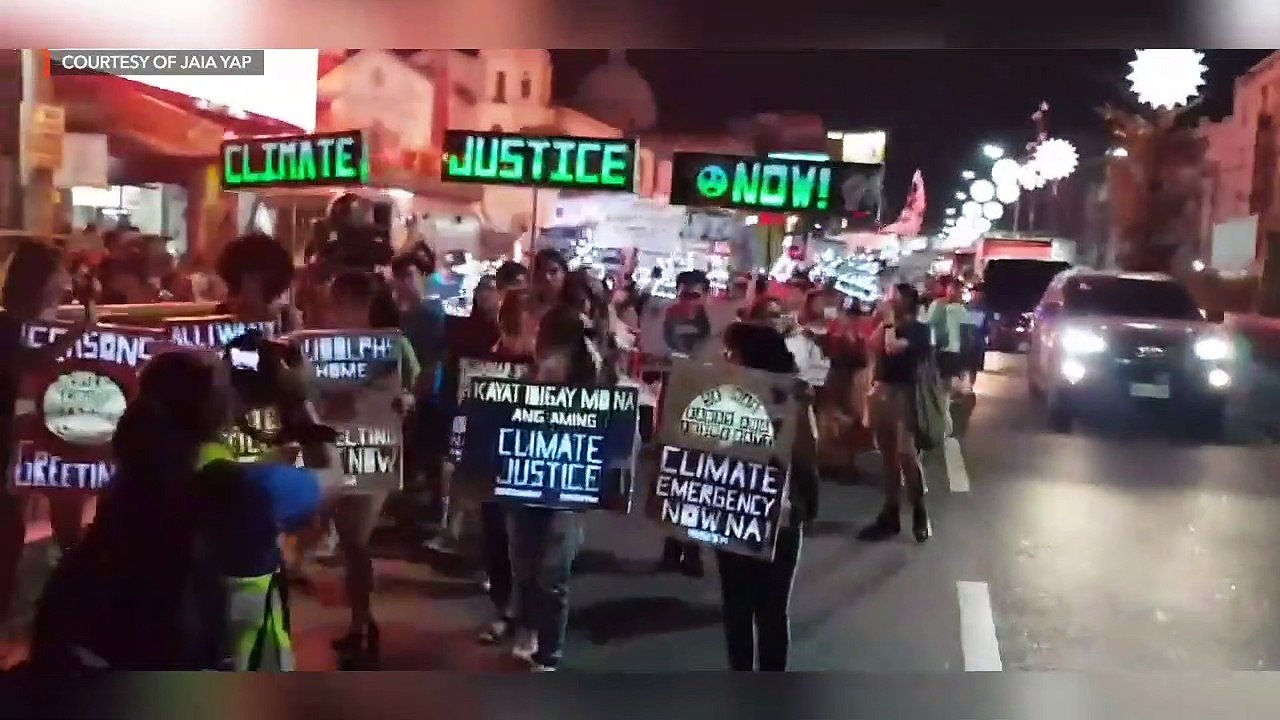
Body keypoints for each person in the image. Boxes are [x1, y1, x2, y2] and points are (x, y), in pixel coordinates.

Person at [27, 351, 328, 671]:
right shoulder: (251, 487)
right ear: (221, 413)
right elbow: (332, 473)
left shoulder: (125, 486)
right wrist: (298, 401)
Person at [321, 271, 422, 669]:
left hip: (375, 445)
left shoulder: (394, 344)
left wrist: (408, 400)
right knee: (349, 543)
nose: (336, 310)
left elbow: (418, 382)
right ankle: (359, 622)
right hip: (335, 446)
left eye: (343, 302)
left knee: (357, 538)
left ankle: (365, 623)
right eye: (334, 302)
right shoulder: (322, 345)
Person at [0, 242, 93, 640]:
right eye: (58, 274)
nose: (64, 283)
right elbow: (29, 366)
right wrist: (76, 334)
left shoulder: (25, 327)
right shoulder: (8, 327)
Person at [715, 321, 819, 672]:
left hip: (763, 515)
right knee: (758, 610)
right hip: (747, 513)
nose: (725, 358)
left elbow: (805, 455)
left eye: (731, 353)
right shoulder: (726, 392)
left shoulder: (791, 397)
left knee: (750, 609)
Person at [505, 305, 601, 671]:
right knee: (526, 566)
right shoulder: (526, 376)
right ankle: (528, 629)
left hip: (565, 488)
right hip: (525, 481)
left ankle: (550, 652)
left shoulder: (592, 381)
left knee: (553, 572)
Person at [858, 283, 932, 544]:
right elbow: (872, 348)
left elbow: (893, 348)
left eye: (893, 296)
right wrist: (882, 321)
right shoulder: (886, 325)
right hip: (883, 392)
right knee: (887, 457)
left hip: (906, 396)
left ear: (906, 302)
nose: (888, 299)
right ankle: (890, 513)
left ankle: (919, 511)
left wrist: (888, 322)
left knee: (907, 455)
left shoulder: (919, 330)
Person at [215, 232, 300, 331]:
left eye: (235, 289)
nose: (228, 300)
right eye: (232, 288)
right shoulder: (220, 325)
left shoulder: (286, 326)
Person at [926, 277, 968, 396]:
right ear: (949, 290)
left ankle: (945, 400)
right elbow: (930, 324)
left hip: (954, 349)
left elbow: (965, 328)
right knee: (940, 380)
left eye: (960, 291)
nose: (959, 294)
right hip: (940, 348)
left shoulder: (961, 308)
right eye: (956, 290)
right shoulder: (937, 305)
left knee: (948, 381)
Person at [662, 270, 712, 356]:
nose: (689, 301)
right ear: (677, 294)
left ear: (705, 296)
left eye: (694, 295)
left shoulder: (714, 320)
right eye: (685, 295)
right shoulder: (665, 315)